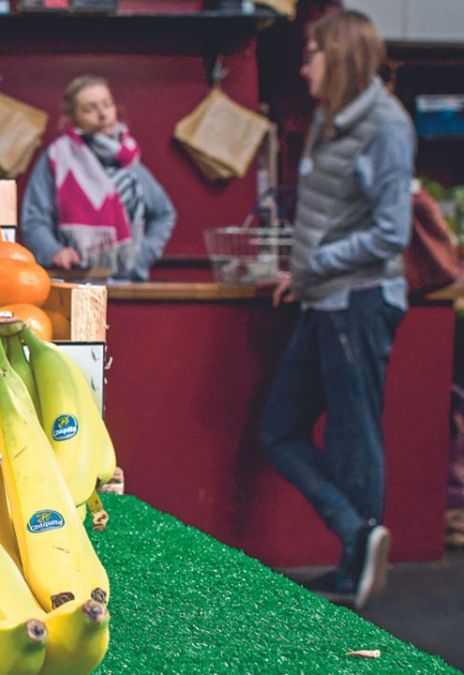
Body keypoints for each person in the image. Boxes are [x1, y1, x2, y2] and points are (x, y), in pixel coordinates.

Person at [259, 10, 414, 610]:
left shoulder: (385, 126)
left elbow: (388, 234)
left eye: (311, 55)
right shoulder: (332, 120)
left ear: (339, 57)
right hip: (325, 298)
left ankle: (357, 566)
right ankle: (358, 536)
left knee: (355, 435)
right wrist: (305, 275)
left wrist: (311, 267)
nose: (304, 67)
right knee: (280, 428)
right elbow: (332, 217)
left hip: (360, 301)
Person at [20, 75, 176, 280]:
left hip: (126, 284)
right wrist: (53, 251)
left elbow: (164, 213)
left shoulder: (128, 160)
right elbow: (33, 220)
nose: (103, 114)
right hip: (73, 283)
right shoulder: (56, 160)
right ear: (73, 117)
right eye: (90, 108)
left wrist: (141, 257)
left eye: (107, 104)